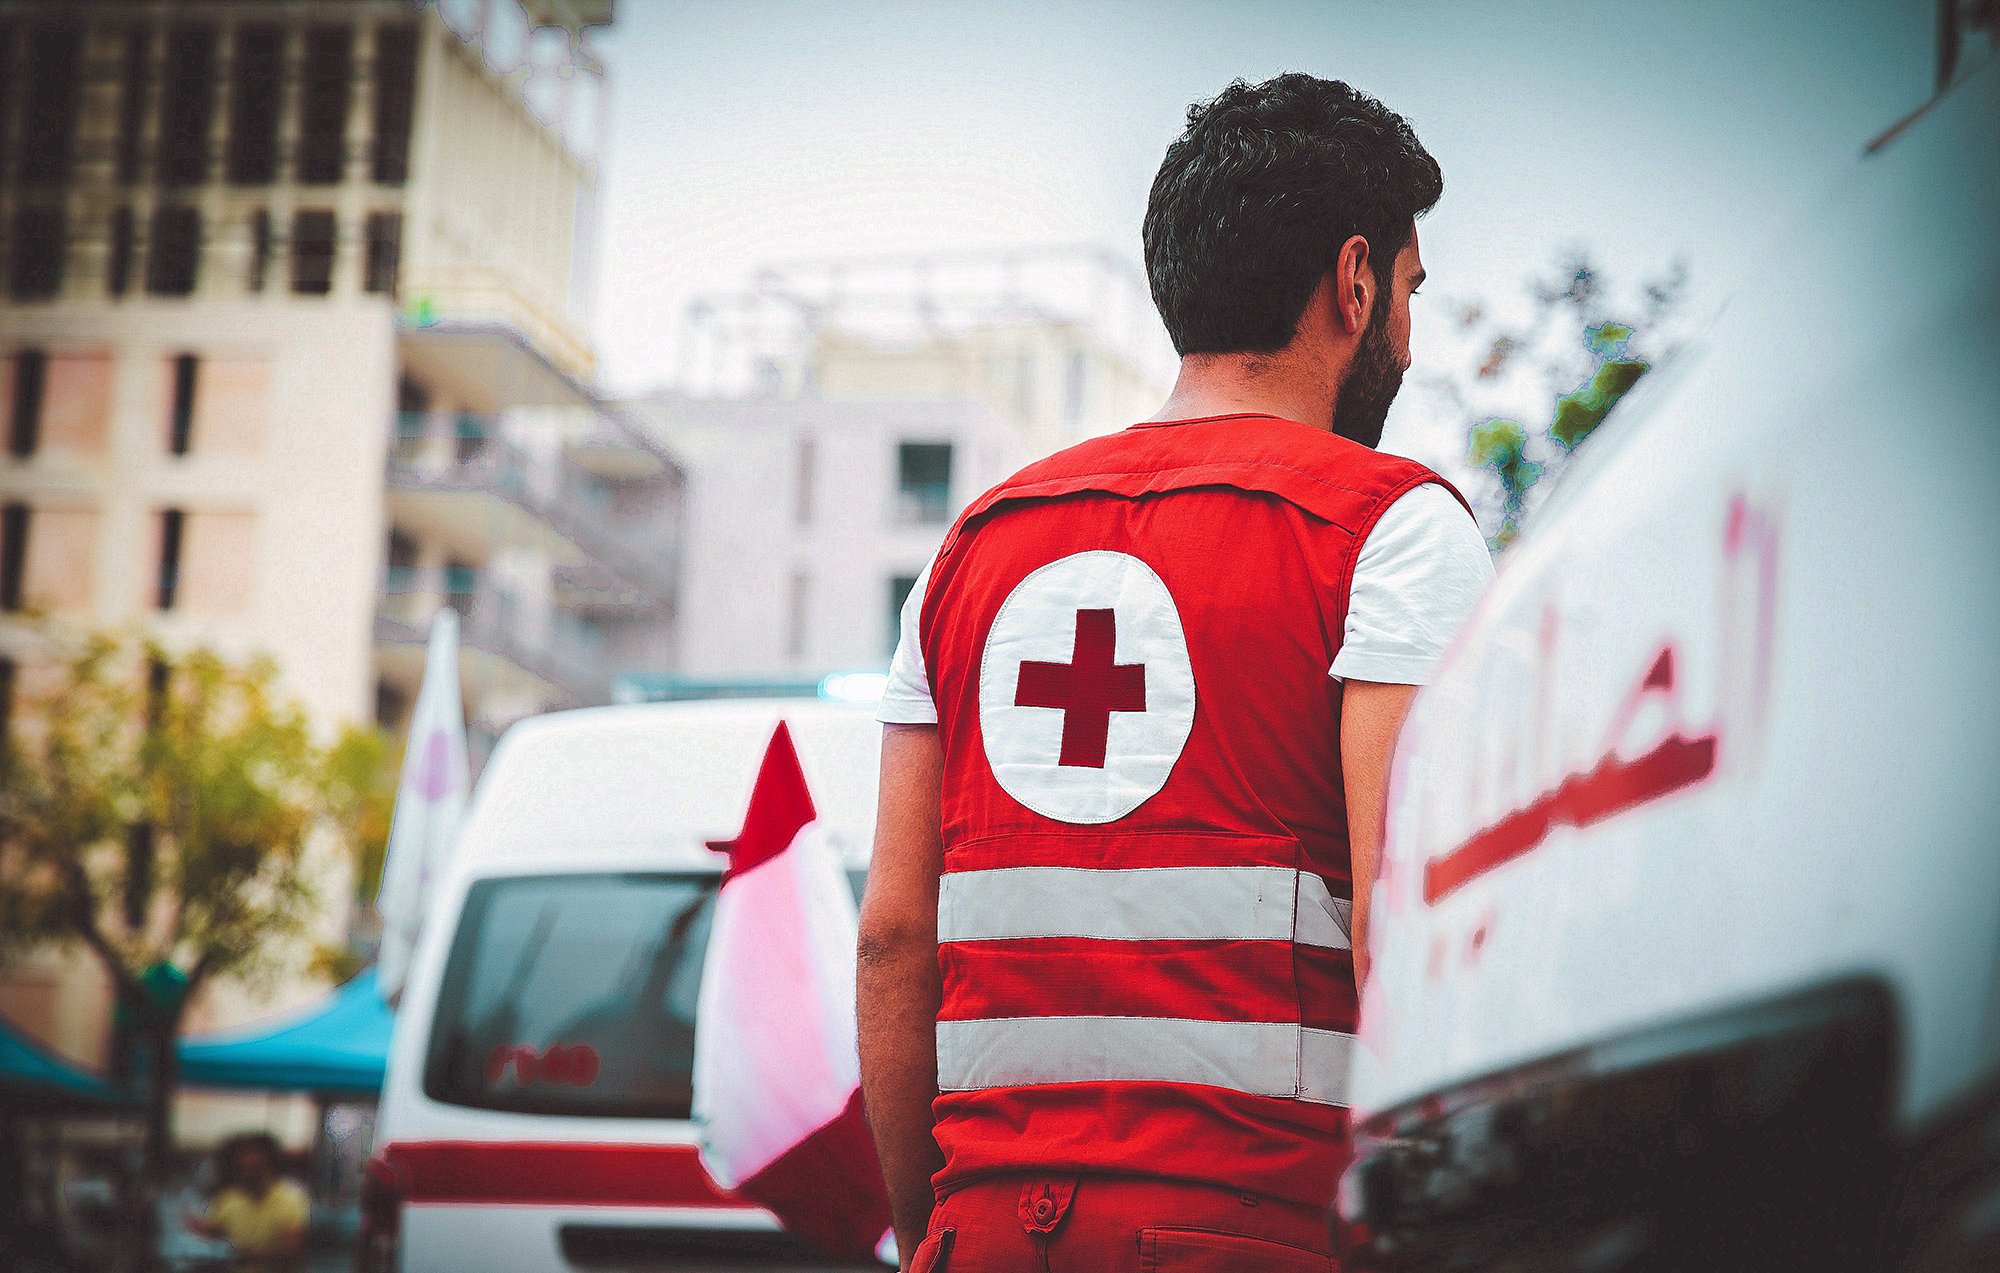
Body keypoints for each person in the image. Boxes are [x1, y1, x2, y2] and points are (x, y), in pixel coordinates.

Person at [857, 73, 1495, 1272]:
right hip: (1273, 1233)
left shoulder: (969, 547)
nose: (1407, 340)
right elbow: (1407, 936)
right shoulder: (1391, 530)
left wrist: (928, 1234)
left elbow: (894, 939)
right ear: (1353, 282)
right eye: (1410, 293)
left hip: (984, 1235)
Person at [183, 1132, 308, 1273]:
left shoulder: (291, 1198)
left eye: (254, 1164)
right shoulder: (228, 1199)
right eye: (243, 1163)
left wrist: (242, 1256)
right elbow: (214, 1233)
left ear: (268, 1162)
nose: (247, 1163)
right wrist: (199, 1229)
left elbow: (290, 1252)